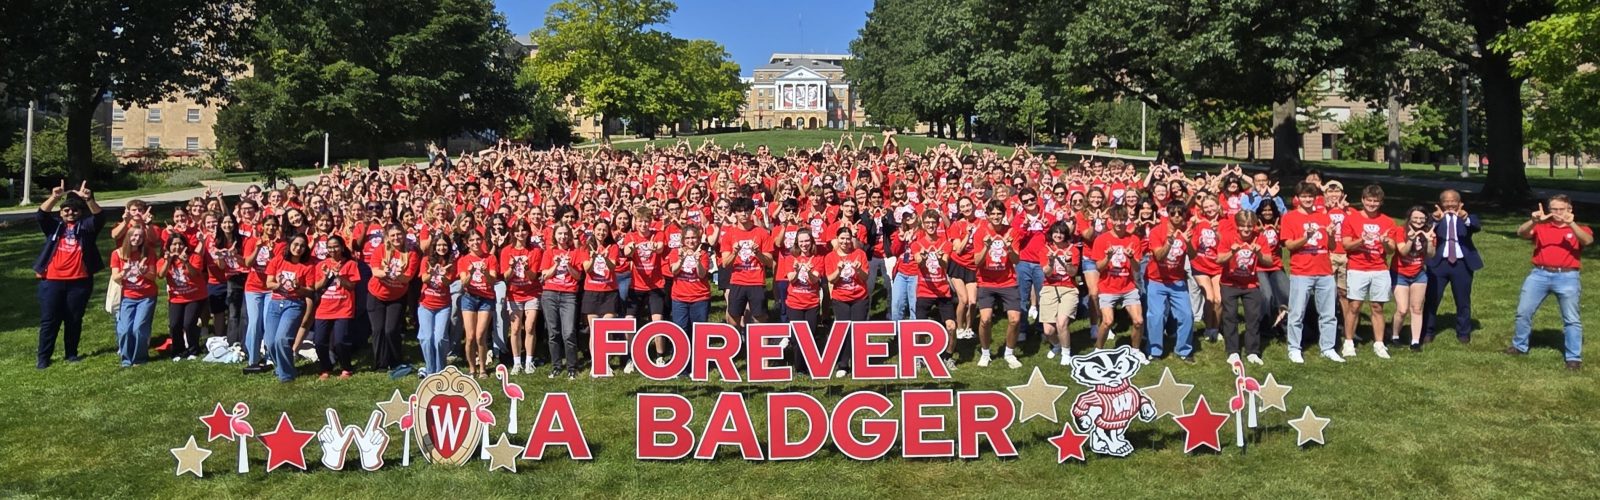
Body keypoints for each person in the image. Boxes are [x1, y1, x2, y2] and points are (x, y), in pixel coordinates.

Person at [1507, 195, 1592, 370]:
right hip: (1540, 274)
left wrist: (1571, 224)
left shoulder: (1580, 228)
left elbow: (1587, 240)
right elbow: (1521, 233)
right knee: (1523, 312)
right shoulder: (1542, 227)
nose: (1558, 213)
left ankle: (1573, 357)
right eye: (1554, 209)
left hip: (1567, 276)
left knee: (1571, 319)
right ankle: (1519, 346)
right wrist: (1532, 221)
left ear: (1569, 210)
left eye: (1561, 209)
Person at [34, 181, 105, 369]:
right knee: (50, 319)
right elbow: (41, 215)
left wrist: (89, 199)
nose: (70, 213)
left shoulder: (86, 227)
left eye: (74, 210)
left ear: (80, 213)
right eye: (66, 210)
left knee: (74, 318)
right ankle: (43, 357)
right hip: (52, 281)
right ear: (61, 213)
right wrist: (54, 197)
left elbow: (99, 218)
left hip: (79, 281)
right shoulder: (54, 227)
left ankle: (71, 353)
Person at [1282, 182, 1344, 363]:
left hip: (1324, 271)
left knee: (1328, 313)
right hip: (1301, 271)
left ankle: (1328, 347)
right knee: (1297, 312)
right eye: (1304, 196)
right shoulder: (1290, 218)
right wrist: (1306, 237)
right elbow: (1289, 246)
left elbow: (1332, 247)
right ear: (1297, 198)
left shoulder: (1324, 217)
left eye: (1310, 196)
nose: (1307, 199)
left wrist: (1331, 234)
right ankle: (1294, 347)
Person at [1340, 185, 1398, 359]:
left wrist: (1385, 241)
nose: (1372, 204)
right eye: (1369, 200)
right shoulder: (1352, 218)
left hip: (1379, 268)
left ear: (1381, 202)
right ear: (1363, 200)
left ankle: (1379, 343)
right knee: (1354, 306)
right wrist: (1361, 240)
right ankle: (1348, 342)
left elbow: (1391, 250)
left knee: (1377, 307)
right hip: (1357, 267)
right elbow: (1346, 245)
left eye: (1376, 201)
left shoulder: (1388, 221)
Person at [1423, 189, 1481, 343]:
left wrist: (1465, 217)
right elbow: (1424, 230)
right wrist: (1435, 221)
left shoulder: (1466, 217)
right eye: (1446, 201)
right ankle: (1427, 331)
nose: (1450, 204)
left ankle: (1463, 332)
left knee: (1463, 300)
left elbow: (1476, 226)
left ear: (1459, 203)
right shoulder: (1434, 218)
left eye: (1453, 201)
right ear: (1440, 204)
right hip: (1438, 264)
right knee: (1432, 298)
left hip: (1462, 264)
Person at [973, 200, 1024, 369]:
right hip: (986, 281)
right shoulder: (980, 232)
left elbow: (1017, 260)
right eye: (993, 213)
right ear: (987, 215)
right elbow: (977, 262)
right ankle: (986, 353)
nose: (996, 216)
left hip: (1007, 281)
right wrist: (986, 248)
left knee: (1015, 320)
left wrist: (1009, 248)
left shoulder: (1011, 232)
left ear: (1003, 215)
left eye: (999, 214)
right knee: (985, 320)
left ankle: (1009, 353)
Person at [1090, 205, 1146, 351]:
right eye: (1116, 220)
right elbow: (1098, 268)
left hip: (1128, 287)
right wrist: (1108, 257)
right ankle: (1098, 350)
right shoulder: (1102, 239)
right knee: (1107, 321)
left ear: (1127, 220)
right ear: (1110, 220)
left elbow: (1137, 268)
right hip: (1107, 287)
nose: (1119, 223)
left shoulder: (1133, 239)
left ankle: (1135, 351)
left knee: (1138, 321)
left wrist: (1132, 257)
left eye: (1122, 220)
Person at [1146, 201, 1196, 361]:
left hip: (1177, 281)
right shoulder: (1156, 232)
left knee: (1187, 315)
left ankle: (1184, 350)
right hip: (1156, 279)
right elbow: (1159, 256)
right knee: (1157, 315)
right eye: (1173, 213)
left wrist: (1187, 242)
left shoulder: (1187, 231)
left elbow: (1193, 256)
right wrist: (1170, 242)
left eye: (1180, 213)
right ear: (1168, 214)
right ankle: (1155, 351)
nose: (1176, 216)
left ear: (1184, 216)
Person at [1217, 210, 1268, 366]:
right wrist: (1232, 252)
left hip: (1251, 284)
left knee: (1253, 318)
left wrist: (1259, 254)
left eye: (1249, 226)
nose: (1246, 230)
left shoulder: (1260, 238)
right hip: (1229, 283)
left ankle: (1253, 352)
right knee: (1230, 317)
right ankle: (1232, 351)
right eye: (1243, 227)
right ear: (1237, 226)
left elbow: (1269, 262)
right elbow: (1219, 259)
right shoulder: (1228, 237)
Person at [910, 209, 958, 371]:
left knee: (951, 326)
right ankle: (919, 356)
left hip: (943, 291)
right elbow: (918, 262)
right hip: (924, 290)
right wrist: (923, 258)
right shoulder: (917, 243)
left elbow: (945, 265)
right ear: (923, 224)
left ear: (938, 224)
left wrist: (939, 258)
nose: (930, 225)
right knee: (919, 328)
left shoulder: (946, 244)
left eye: (933, 222)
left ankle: (948, 356)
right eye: (927, 222)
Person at [263, 235, 315, 382]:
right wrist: (279, 285)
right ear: (290, 244)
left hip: (294, 304)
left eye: (302, 246)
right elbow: (268, 283)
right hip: (275, 303)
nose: (298, 248)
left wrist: (298, 288)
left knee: (282, 339)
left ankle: (286, 376)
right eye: (296, 244)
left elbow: (310, 290)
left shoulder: (308, 266)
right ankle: (281, 367)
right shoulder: (278, 260)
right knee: (270, 342)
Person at [310, 235, 361, 379]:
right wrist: (326, 277)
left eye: (336, 246)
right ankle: (325, 368)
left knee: (340, 341)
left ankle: (346, 368)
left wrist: (339, 276)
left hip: (343, 308)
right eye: (330, 247)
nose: (333, 250)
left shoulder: (350, 264)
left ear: (342, 247)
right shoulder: (321, 265)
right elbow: (315, 287)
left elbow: (351, 286)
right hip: (324, 309)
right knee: (319, 341)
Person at [719, 197, 773, 330]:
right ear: (735, 213)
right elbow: (725, 263)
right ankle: (737, 346)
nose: (743, 214)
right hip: (737, 282)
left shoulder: (761, 233)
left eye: (747, 211)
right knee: (733, 317)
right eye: (740, 211)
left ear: (752, 212)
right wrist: (735, 252)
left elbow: (770, 262)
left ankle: (761, 347)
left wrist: (758, 254)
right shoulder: (729, 234)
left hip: (756, 282)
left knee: (760, 317)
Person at [542, 224, 587, 379]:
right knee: (553, 332)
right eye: (560, 234)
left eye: (566, 234)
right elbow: (545, 276)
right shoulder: (549, 252)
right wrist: (556, 264)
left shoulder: (575, 253)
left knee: (568, 332)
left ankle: (572, 367)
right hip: (550, 294)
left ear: (569, 236)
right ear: (555, 236)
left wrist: (567, 265)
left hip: (569, 295)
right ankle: (556, 366)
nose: (563, 237)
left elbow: (578, 277)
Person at [110, 221, 158, 367]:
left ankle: (139, 358)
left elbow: (153, 276)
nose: (137, 238)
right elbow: (115, 278)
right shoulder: (117, 254)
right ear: (128, 236)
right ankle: (126, 360)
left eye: (140, 236)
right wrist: (124, 272)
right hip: (128, 297)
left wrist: (144, 272)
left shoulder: (148, 253)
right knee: (124, 330)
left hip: (146, 296)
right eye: (134, 235)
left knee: (138, 328)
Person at [241, 216, 285, 374]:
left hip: (270, 289)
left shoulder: (281, 245)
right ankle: (253, 359)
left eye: (274, 226)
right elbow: (247, 263)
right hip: (253, 288)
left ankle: (269, 356)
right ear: (263, 226)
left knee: (268, 324)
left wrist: (272, 253)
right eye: (268, 225)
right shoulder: (253, 241)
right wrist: (258, 248)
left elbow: (277, 267)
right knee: (254, 323)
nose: (271, 228)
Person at [824, 225, 870, 376]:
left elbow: (865, 277)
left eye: (848, 239)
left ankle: (860, 362)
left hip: (859, 297)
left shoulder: (859, 254)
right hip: (841, 298)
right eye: (842, 238)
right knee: (843, 331)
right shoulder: (830, 257)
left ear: (852, 240)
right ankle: (843, 364)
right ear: (837, 239)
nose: (845, 242)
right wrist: (838, 270)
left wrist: (858, 270)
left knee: (858, 330)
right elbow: (831, 279)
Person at [499, 221, 542, 374]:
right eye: (517, 231)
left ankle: (529, 360)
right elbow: (505, 277)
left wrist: (526, 267)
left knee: (530, 326)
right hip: (514, 294)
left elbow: (532, 277)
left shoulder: (535, 251)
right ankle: (517, 362)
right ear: (513, 233)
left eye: (524, 230)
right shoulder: (506, 251)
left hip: (531, 292)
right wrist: (511, 267)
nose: (521, 233)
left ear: (528, 233)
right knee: (516, 328)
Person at [1390, 206, 1435, 351]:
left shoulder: (1429, 233)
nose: (1419, 221)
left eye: (1422, 218)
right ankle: (1395, 335)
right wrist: (1410, 240)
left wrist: (1428, 241)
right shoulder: (1400, 231)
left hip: (1419, 274)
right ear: (1409, 218)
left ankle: (1415, 341)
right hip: (1400, 273)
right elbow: (1402, 252)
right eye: (1415, 218)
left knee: (1417, 308)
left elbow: (1431, 255)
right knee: (1402, 309)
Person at [457, 231, 500, 378]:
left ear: (482, 241)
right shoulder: (463, 260)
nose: (475, 242)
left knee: (480, 335)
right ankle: (471, 369)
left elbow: (493, 280)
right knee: (469, 337)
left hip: (486, 298)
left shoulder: (490, 258)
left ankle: (482, 368)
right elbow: (464, 283)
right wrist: (470, 273)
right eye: (472, 240)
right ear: (467, 243)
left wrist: (485, 272)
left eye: (478, 239)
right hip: (469, 298)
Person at [160, 233, 209, 360]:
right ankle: (178, 350)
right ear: (169, 247)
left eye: (180, 244)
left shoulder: (194, 257)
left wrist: (186, 261)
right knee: (175, 324)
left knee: (188, 323)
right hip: (176, 297)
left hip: (195, 296)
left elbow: (194, 274)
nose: (177, 246)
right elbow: (160, 275)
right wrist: (168, 261)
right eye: (174, 244)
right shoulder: (165, 260)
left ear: (185, 245)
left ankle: (193, 349)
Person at [1039, 220, 1081, 365]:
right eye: (1056, 232)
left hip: (1068, 288)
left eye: (1061, 233)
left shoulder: (1074, 250)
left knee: (1061, 323)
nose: (1058, 235)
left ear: (1066, 235)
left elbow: (1073, 272)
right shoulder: (1045, 250)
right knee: (1048, 330)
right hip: (1050, 287)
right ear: (1051, 234)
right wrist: (1050, 262)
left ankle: (1066, 352)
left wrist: (1068, 262)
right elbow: (1047, 273)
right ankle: (1057, 345)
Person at [417, 236, 457, 377]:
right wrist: (431, 272)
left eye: (444, 245)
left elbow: (447, 283)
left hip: (443, 306)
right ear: (434, 246)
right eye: (438, 245)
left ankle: (440, 371)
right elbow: (424, 279)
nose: (441, 248)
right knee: (427, 338)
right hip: (426, 305)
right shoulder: (425, 260)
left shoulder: (452, 262)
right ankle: (430, 370)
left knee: (440, 338)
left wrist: (444, 274)